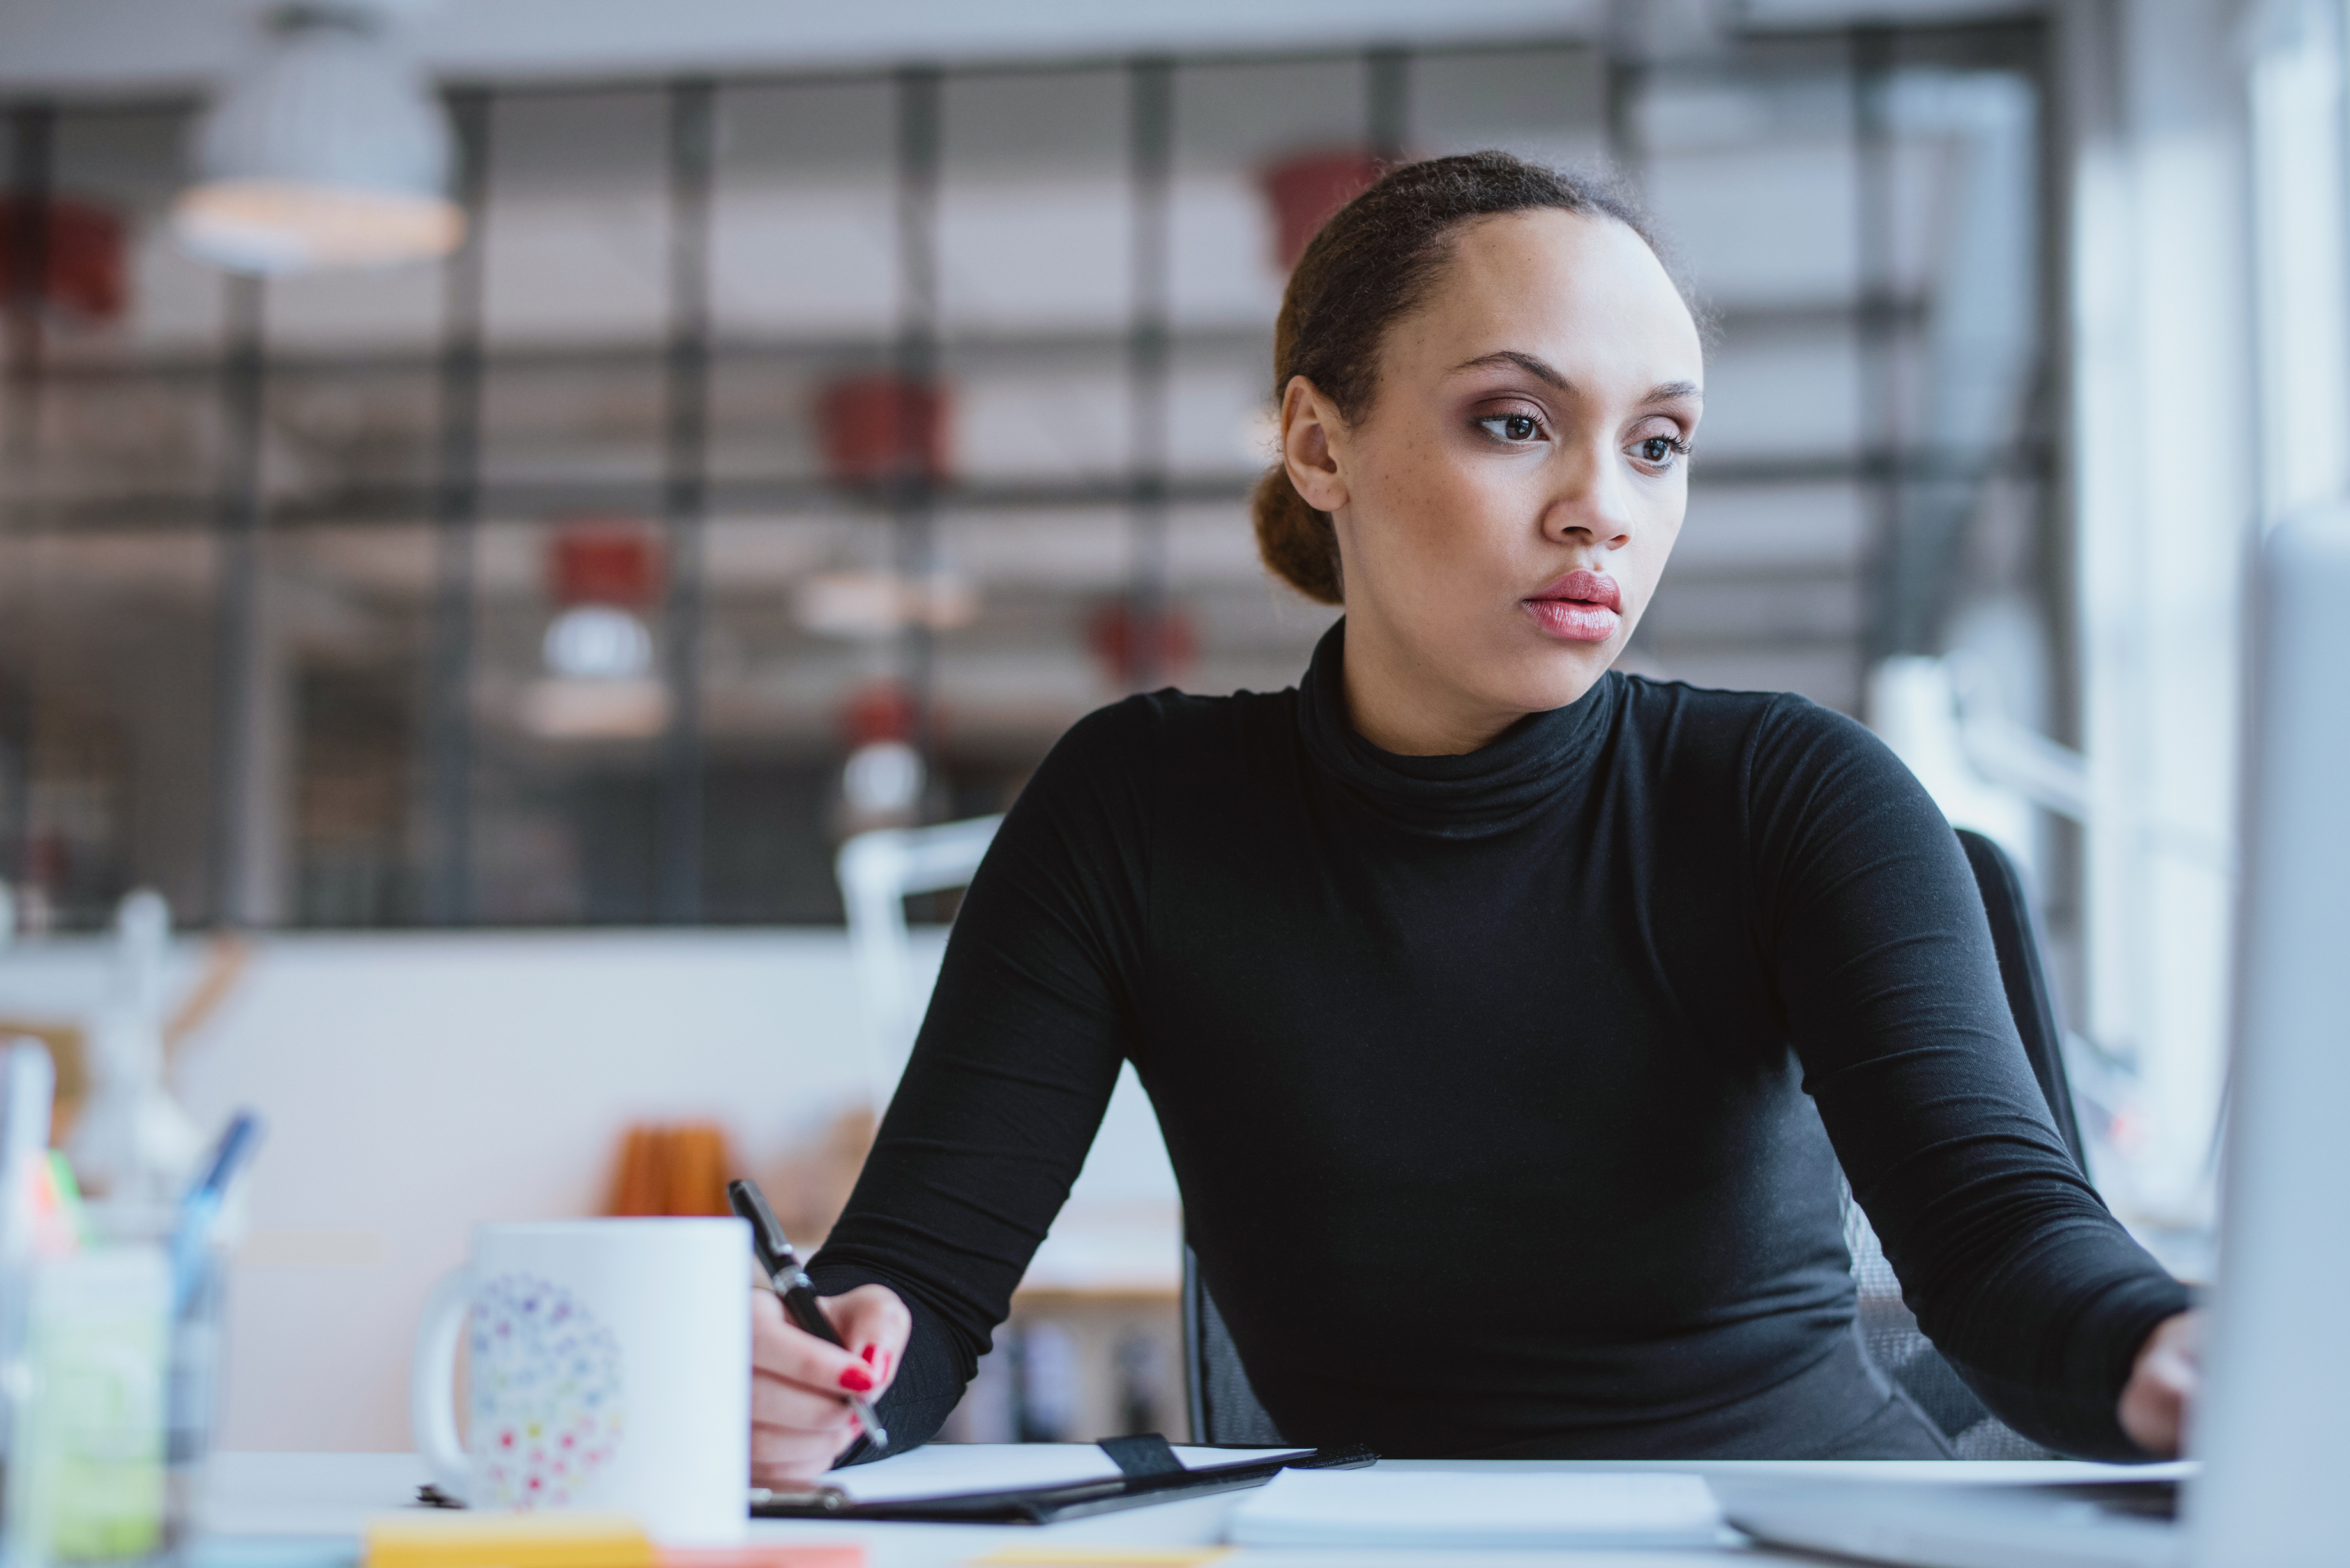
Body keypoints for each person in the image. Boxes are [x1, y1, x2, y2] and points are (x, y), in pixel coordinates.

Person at [748, 151, 2199, 1482]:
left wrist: (2172, 1350)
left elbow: (2001, 1244)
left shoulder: (1794, 795)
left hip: (1784, 1525)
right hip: (1376, 1541)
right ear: (1320, 448)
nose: (1601, 510)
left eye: (1657, 444)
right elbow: (916, 1292)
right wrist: (828, 1371)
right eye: (1514, 422)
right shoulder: (1133, 811)